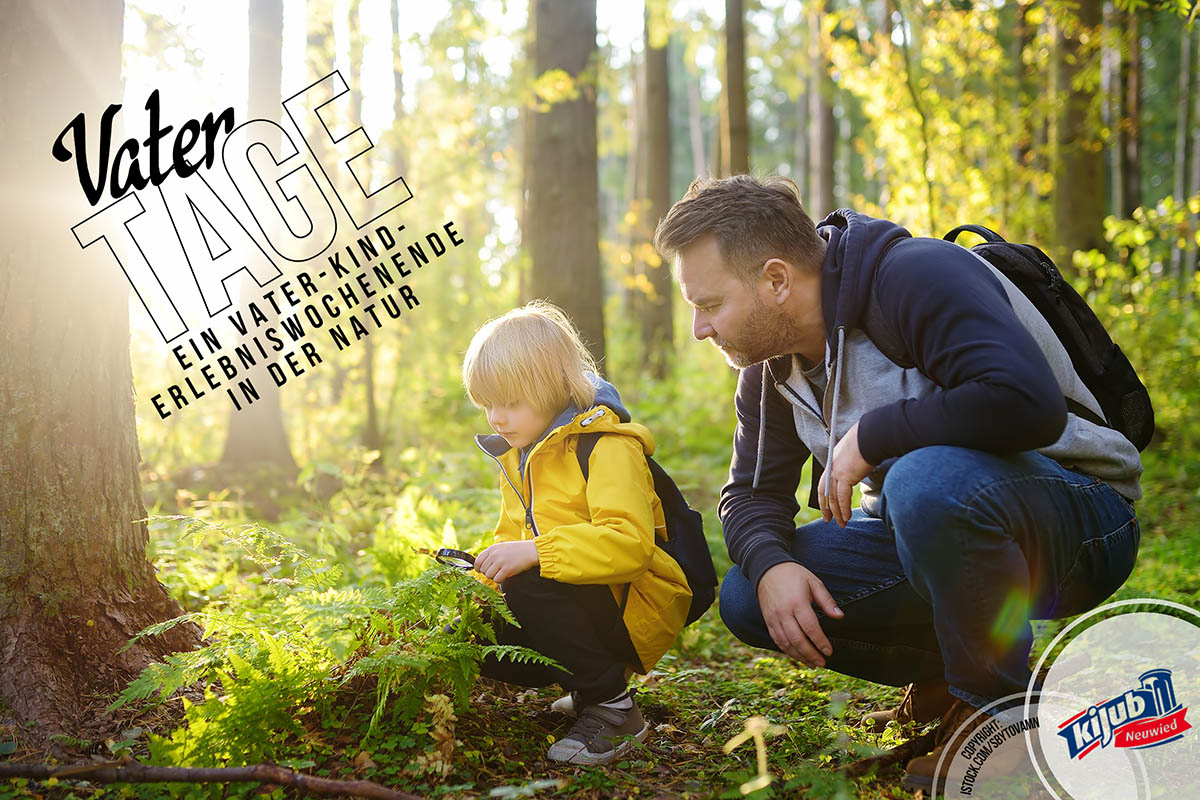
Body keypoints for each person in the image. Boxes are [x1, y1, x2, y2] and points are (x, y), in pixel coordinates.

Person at [653, 175, 1142, 790]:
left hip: (1080, 515)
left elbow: (1027, 402)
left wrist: (875, 435)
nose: (700, 328)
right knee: (749, 596)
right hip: (938, 528)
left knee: (922, 478)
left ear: (776, 280)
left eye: (709, 304)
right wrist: (772, 563)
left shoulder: (915, 276)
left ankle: (999, 715)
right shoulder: (770, 367)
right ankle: (952, 672)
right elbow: (749, 496)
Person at [461, 301, 692, 766]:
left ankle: (614, 709)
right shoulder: (520, 456)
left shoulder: (607, 448)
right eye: (487, 405)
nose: (496, 418)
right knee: (475, 636)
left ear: (550, 389)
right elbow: (513, 537)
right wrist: (476, 590)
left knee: (529, 581)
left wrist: (534, 554)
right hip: (587, 593)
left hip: (636, 599)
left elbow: (628, 546)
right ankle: (589, 685)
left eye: (509, 403)